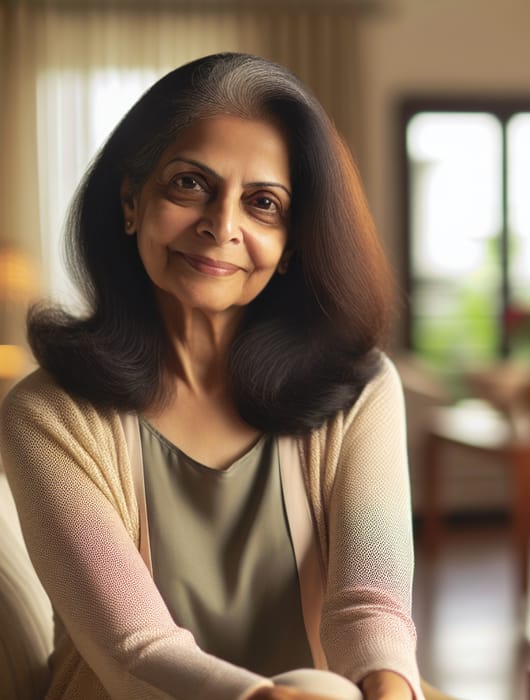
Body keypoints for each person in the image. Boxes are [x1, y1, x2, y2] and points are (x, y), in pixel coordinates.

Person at [0, 52, 423, 700]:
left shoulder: (360, 390)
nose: (221, 226)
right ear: (131, 201)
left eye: (263, 203)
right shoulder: (46, 411)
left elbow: (371, 607)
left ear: (291, 245)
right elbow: (133, 647)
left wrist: (390, 692)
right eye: (189, 184)